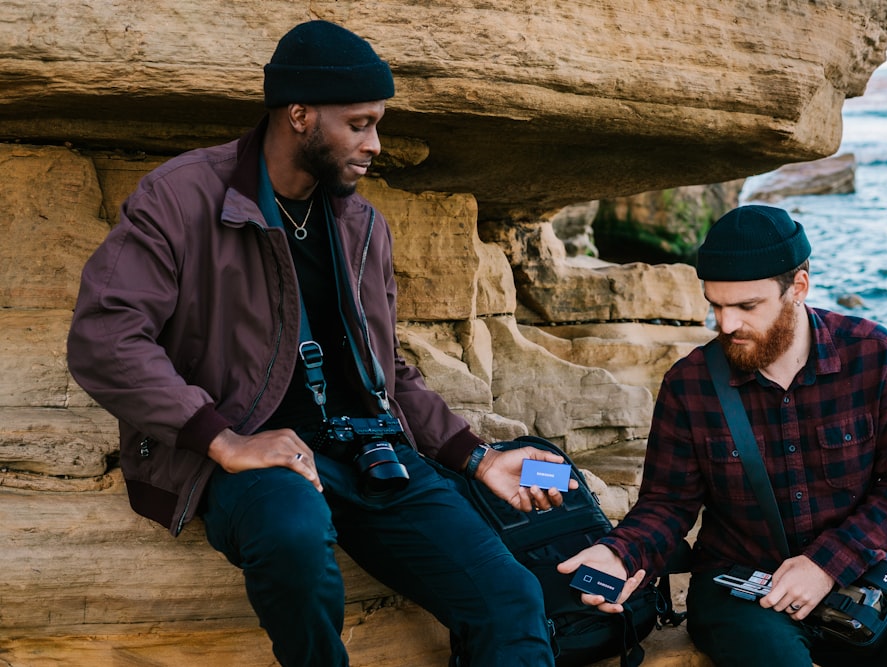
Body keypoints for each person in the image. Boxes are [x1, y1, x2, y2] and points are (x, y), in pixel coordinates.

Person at [66, 20, 569, 667]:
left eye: (377, 123)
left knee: (512, 599)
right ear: (299, 114)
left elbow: (385, 369)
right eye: (359, 123)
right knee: (295, 537)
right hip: (252, 453)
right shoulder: (181, 197)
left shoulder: (362, 224)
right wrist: (225, 440)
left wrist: (475, 457)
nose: (376, 143)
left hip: (371, 450)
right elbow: (104, 337)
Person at [559, 205, 887, 666]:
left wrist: (826, 564)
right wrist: (619, 554)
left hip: (855, 578)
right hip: (737, 591)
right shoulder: (689, 384)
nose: (726, 325)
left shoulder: (874, 354)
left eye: (747, 307)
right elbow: (667, 504)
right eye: (716, 305)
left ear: (798, 289)